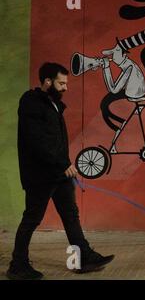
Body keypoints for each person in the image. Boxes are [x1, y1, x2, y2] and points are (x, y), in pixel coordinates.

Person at [7, 62, 114, 280]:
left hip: (58, 173)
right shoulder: (31, 102)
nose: (65, 87)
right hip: (40, 176)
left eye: (66, 83)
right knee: (32, 218)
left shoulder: (53, 104)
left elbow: (55, 142)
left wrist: (64, 164)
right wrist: (63, 164)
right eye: (61, 83)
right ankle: (17, 265)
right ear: (47, 82)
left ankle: (82, 258)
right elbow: (38, 141)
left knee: (70, 215)